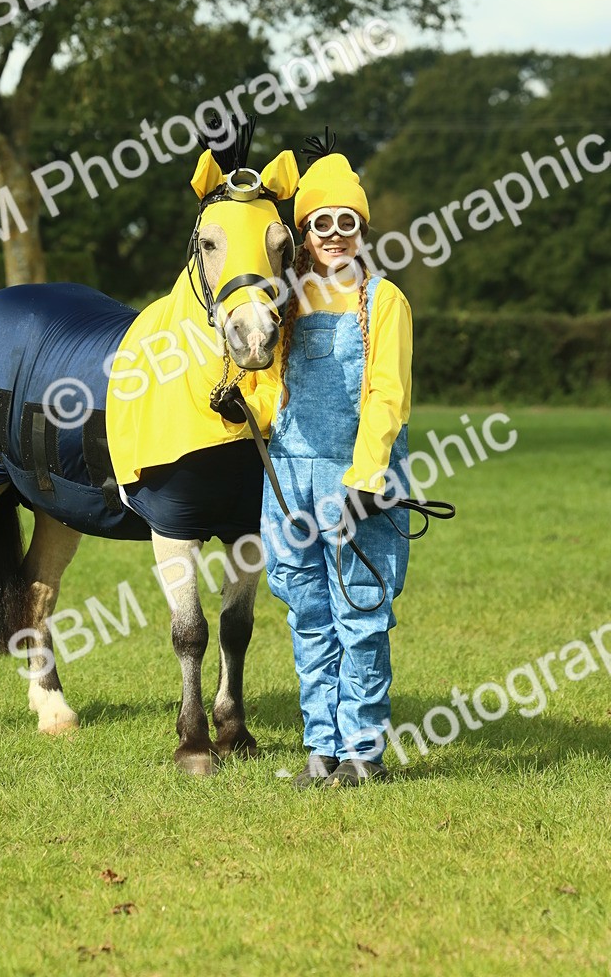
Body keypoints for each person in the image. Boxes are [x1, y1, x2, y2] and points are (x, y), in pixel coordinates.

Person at [260, 132, 413, 788]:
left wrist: (368, 476)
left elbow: (388, 394)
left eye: (347, 222)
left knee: (361, 617)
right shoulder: (282, 304)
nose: (335, 234)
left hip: (358, 490)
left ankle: (362, 754)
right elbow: (268, 389)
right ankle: (320, 749)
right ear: (304, 231)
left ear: (361, 228)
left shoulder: (385, 302)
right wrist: (242, 402)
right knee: (310, 618)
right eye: (322, 222)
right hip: (290, 489)